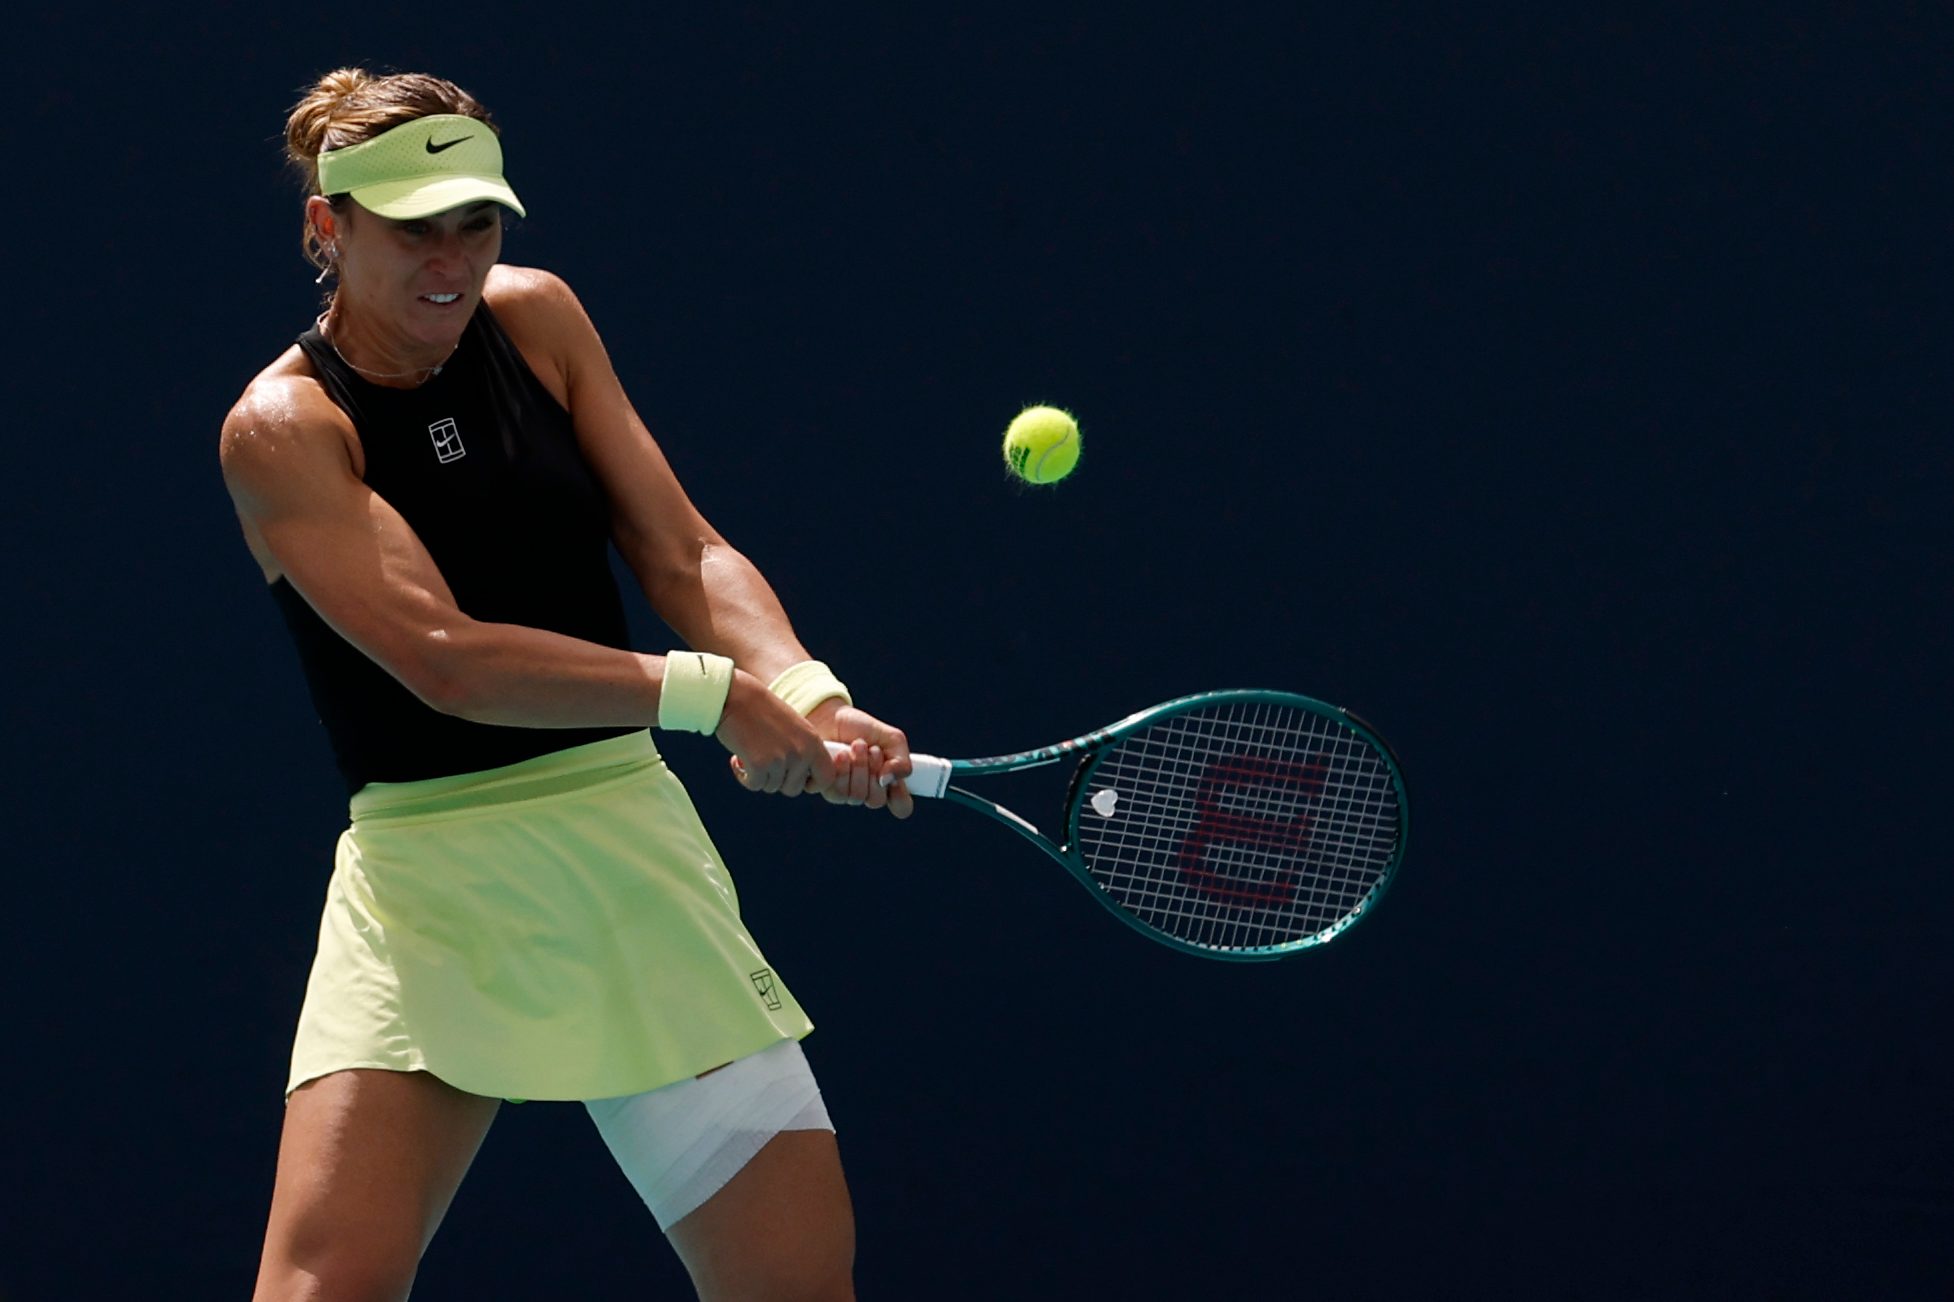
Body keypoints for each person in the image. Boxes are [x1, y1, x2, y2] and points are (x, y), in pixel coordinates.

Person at [219, 68, 911, 1302]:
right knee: (323, 1292)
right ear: (328, 228)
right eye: (411, 228)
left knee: (796, 1283)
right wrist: (708, 694)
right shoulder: (283, 427)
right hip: (428, 890)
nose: (451, 259)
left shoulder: (536, 320)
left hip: (627, 864)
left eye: (473, 222)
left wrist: (802, 688)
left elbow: (681, 547)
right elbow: (444, 659)